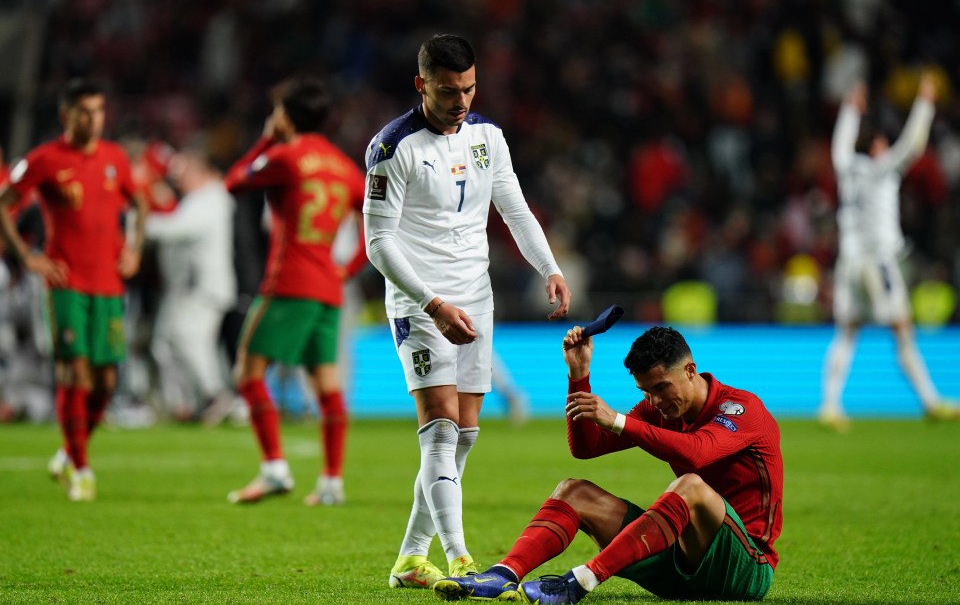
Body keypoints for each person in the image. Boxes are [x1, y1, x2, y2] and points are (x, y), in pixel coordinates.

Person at [363, 34, 572, 590]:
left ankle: (410, 556)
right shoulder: (391, 149)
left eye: (470, 88)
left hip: (476, 296)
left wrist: (548, 266)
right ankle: (460, 558)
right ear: (422, 84)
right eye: (450, 90)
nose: (461, 100)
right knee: (439, 429)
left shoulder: (488, 137)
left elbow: (515, 210)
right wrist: (431, 303)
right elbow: (378, 243)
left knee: (465, 435)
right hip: (419, 299)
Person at [434, 325, 782, 603]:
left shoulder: (740, 409)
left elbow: (698, 453)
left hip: (744, 569)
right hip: (681, 565)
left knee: (690, 485)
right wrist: (578, 375)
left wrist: (617, 419)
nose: (655, 401)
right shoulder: (659, 409)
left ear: (690, 370)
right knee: (573, 491)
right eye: (646, 392)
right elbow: (587, 448)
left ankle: (582, 580)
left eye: (661, 387)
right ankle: (502, 575)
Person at [0, 78, 147, 501]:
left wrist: (134, 248)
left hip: (108, 284)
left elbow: (138, 203)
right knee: (75, 371)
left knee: (104, 380)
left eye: (99, 111)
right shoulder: (45, 159)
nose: (94, 119)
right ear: (67, 116)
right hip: (66, 284)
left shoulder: (115, 158)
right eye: (85, 111)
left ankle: (68, 452)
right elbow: (4, 204)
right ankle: (81, 470)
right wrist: (28, 257)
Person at [223, 76, 367, 506]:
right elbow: (377, 224)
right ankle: (331, 483)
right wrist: (348, 269)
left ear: (285, 116)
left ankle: (273, 468)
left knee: (247, 372)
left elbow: (234, 182)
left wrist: (264, 141)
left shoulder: (285, 157)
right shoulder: (345, 167)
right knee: (326, 383)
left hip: (288, 283)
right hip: (328, 286)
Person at [820, 72, 959, 432]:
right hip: (877, 260)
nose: (886, 145)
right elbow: (912, 146)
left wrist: (850, 111)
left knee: (847, 332)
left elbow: (839, 146)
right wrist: (925, 103)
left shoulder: (847, 168)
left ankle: (830, 404)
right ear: (876, 147)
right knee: (902, 328)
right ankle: (930, 401)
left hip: (848, 261)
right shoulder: (881, 170)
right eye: (883, 142)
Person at [144, 145, 237, 422]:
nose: (176, 177)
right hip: (187, 287)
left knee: (190, 339)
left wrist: (138, 223)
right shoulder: (198, 199)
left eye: (183, 170)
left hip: (204, 287)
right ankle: (184, 402)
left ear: (199, 170)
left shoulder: (212, 198)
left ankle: (216, 395)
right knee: (165, 343)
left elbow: (177, 229)